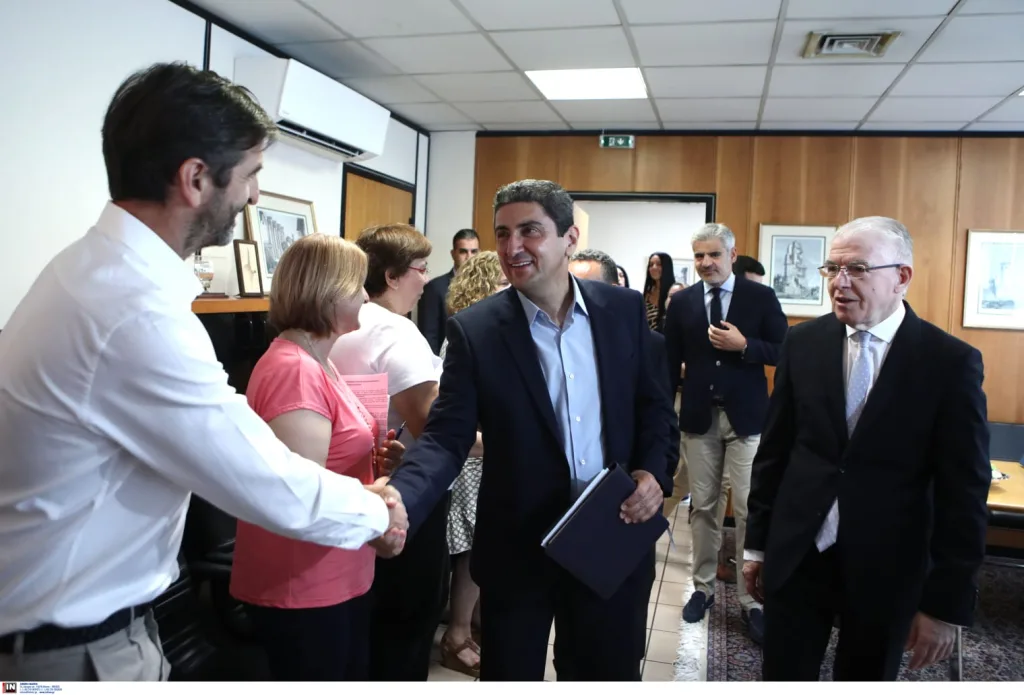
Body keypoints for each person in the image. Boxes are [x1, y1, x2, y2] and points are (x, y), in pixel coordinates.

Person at [0, 62, 405, 682]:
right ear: (194, 179)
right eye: (251, 175)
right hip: (74, 653)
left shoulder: (91, 273)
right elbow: (261, 477)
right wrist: (377, 513)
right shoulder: (133, 311)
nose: (255, 197)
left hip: (76, 634)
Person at [386, 180, 676, 682]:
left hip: (610, 530)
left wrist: (653, 473)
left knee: (604, 674)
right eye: (502, 233)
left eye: (529, 231)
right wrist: (399, 498)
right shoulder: (476, 331)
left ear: (570, 238)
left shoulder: (622, 311)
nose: (512, 246)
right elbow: (445, 437)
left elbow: (654, 410)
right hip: (518, 548)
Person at [743, 216, 990, 681]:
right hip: (799, 554)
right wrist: (757, 545)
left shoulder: (949, 362)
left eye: (856, 269)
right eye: (832, 268)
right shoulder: (803, 342)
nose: (839, 283)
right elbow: (775, 452)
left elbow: (964, 491)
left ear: (902, 276)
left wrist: (946, 603)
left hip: (887, 567)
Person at [229, 234, 404, 681]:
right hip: (304, 585)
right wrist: (379, 495)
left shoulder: (319, 360)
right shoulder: (294, 369)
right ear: (326, 293)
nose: (366, 296)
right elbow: (301, 496)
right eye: (356, 286)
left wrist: (376, 465)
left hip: (338, 572)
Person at [330, 223, 476, 681]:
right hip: (405, 493)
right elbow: (435, 428)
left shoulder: (339, 322)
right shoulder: (396, 332)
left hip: (351, 490)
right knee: (407, 625)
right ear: (392, 276)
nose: (426, 280)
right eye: (420, 269)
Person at [663, 223, 787, 645]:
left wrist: (745, 346)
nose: (706, 263)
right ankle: (703, 588)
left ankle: (752, 600)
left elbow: (784, 350)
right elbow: (668, 363)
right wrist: (663, 414)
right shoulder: (682, 303)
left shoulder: (760, 297)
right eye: (699, 255)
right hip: (699, 419)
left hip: (747, 419)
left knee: (750, 506)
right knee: (703, 507)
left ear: (732, 255)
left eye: (714, 254)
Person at [440, 250, 508, 677]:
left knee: (482, 546)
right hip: (472, 457)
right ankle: (457, 635)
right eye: (501, 283)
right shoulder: (464, 332)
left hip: (486, 454)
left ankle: (476, 621)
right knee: (469, 550)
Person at [418, 229, 480, 355]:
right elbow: (429, 335)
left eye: (474, 251)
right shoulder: (435, 288)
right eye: (463, 251)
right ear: (453, 254)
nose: (469, 257)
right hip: (446, 361)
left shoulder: (487, 286)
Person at [643, 253, 675, 331]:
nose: (654, 267)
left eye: (659, 264)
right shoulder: (646, 294)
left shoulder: (674, 292)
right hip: (648, 337)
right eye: (651, 265)